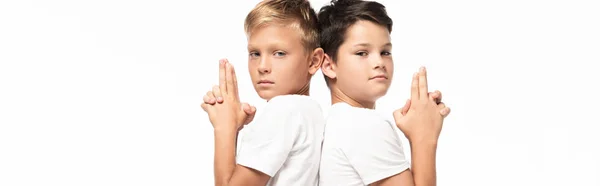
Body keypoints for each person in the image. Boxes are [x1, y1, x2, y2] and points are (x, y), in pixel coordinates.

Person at [317, 0, 451, 185]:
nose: (379, 62)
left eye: (385, 52)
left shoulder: (335, 123)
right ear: (328, 65)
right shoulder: (364, 125)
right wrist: (424, 137)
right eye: (362, 53)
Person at [200, 0, 326, 185]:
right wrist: (234, 128)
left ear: (314, 61)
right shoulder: (311, 111)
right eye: (255, 54)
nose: (262, 67)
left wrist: (224, 127)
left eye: (279, 53)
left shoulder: (283, 110)